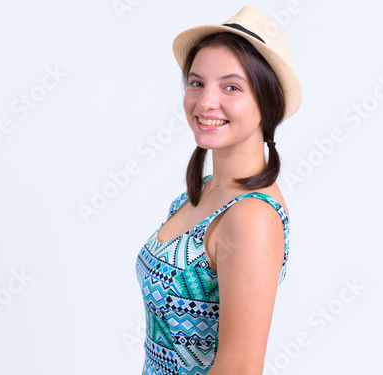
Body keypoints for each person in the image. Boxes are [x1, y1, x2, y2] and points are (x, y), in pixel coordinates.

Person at [135, 6, 301, 375]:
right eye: (196, 83)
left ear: (267, 100)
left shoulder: (251, 217)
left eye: (231, 86)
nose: (206, 101)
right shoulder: (203, 193)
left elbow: (238, 370)